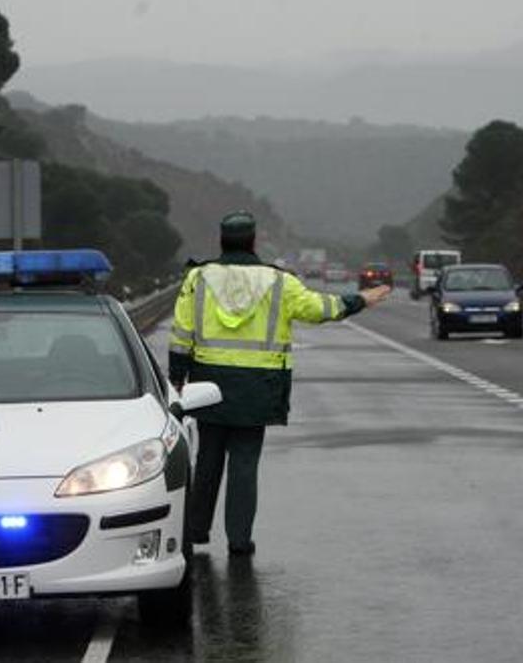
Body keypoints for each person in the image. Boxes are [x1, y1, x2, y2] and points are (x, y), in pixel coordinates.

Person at [168, 211, 391, 556]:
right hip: (259, 386)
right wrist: (360, 299)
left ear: (221, 241)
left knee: (208, 458)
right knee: (244, 463)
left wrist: (177, 378)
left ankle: (196, 531)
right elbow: (318, 308)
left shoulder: (198, 278)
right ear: (254, 241)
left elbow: (181, 332)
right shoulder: (279, 282)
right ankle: (240, 541)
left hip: (208, 384)